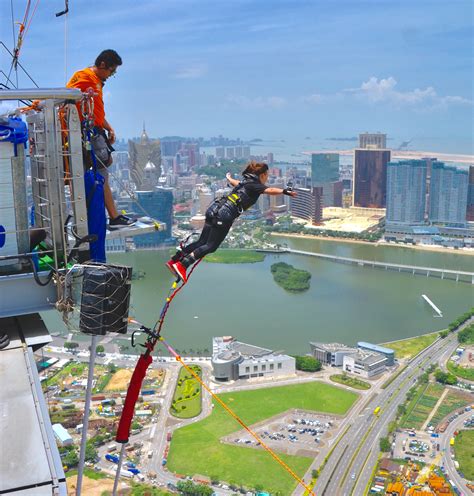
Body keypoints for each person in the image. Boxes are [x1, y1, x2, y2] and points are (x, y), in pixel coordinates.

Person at [166, 162, 297, 282]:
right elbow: (270, 190)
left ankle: (174, 261)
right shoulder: (256, 184)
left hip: (214, 209)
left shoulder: (246, 182)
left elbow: (236, 183)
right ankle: (182, 265)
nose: (267, 178)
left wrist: (228, 179)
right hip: (224, 216)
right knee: (210, 246)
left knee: (201, 242)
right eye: (267, 175)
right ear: (262, 175)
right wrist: (284, 191)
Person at [67, 49, 134, 229]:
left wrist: (108, 127)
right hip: (87, 132)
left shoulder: (90, 79)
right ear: (103, 65)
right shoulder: (87, 78)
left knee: (83, 174)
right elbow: (69, 101)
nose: (111, 75)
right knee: (100, 173)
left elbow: (94, 111)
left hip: (89, 130)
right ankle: (113, 216)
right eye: (111, 71)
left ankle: (85, 218)